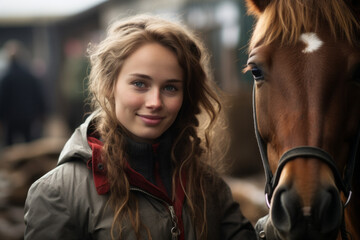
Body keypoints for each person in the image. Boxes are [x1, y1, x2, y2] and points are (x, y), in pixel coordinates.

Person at [24, 14, 256, 240]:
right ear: (109, 86)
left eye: (170, 88)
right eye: (139, 84)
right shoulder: (59, 193)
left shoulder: (205, 182)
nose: (155, 102)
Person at [0, 40, 46, 145]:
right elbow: (38, 95)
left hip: (10, 119)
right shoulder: (29, 75)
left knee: (9, 145)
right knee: (29, 144)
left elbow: (2, 99)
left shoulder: (5, 77)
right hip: (28, 116)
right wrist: (43, 113)